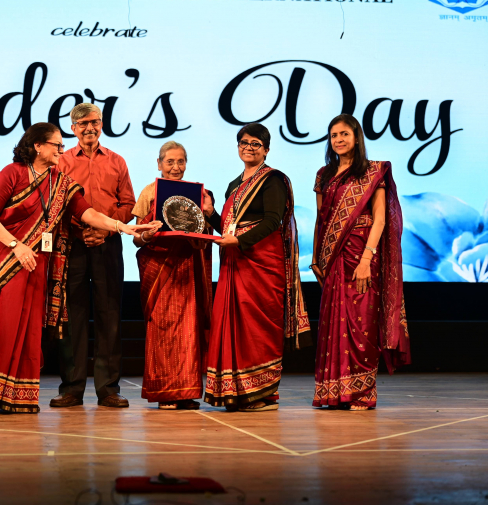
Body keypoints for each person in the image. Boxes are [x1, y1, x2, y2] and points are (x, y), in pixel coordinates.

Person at [0, 122, 158, 413]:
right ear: (37, 146)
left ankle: (19, 396)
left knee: (28, 327)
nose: (61, 149)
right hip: (6, 259)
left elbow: (87, 212)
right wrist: (17, 246)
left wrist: (122, 227)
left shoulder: (60, 182)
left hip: (36, 262)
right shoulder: (12, 173)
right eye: (56, 144)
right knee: (2, 324)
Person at [203, 123, 310, 412]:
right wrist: (210, 214)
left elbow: (273, 221)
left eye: (255, 144)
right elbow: (228, 229)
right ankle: (237, 393)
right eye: (244, 142)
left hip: (262, 265)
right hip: (236, 262)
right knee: (234, 326)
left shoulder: (273, 180)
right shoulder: (234, 185)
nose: (248, 148)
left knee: (258, 327)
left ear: (266, 149)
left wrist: (239, 241)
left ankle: (262, 394)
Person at [311, 114, 410, 410]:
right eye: (334, 135)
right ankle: (334, 392)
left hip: (361, 255)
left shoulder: (372, 172)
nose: (338, 140)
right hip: (333, 259)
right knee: (333, 323)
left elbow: (380, 219)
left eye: (344, 134)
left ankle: (363, 392)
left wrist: (367, 259)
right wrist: (316, 259)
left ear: (356, 137)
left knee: (361, 321)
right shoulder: (324, 175)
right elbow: (321, 220)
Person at [53, 103, 137, 409]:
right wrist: (81, 231)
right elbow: (55, 203)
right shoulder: (61, 161)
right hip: (73, 245)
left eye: (95, 122)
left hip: (108, 244)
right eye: (83, 123)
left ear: (102, 125)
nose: (90, 128)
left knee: (109, 315)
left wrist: (105, 231)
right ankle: (72, 388)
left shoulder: (117, 161)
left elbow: (129, 204)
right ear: (73, 129)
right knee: (72, 317)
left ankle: (108, 389)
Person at [132, 141, 213, 410]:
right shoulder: (149, 192)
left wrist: (206, 218)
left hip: (187, 269)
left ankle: (186, 392)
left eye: (181, 161)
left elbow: (204, 233)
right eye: (170, 162)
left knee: (188, 330)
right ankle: (165, 394)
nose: (176, 167)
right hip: (160, 270)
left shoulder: (197, 194)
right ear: (159, 164)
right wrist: (148, 234)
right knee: (162, 329)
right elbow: (136, 238)